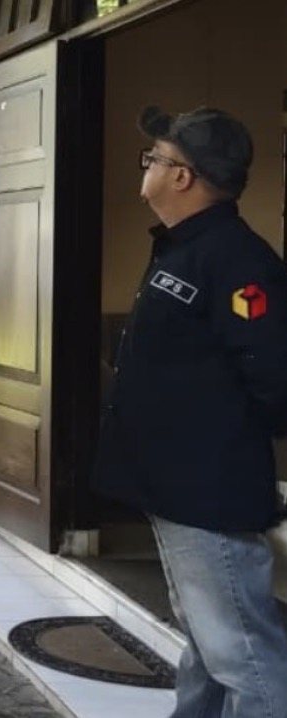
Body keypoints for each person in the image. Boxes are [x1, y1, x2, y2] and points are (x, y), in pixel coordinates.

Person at [93, 106, 287, 717]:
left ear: (184, 176)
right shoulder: (185, 250)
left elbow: (273, 377)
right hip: (179, 485)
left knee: (245, 654)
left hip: (208, 488)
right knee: (207, 642)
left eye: (156, 156)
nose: (146, 165)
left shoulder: (236, 260)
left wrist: (214, 443)